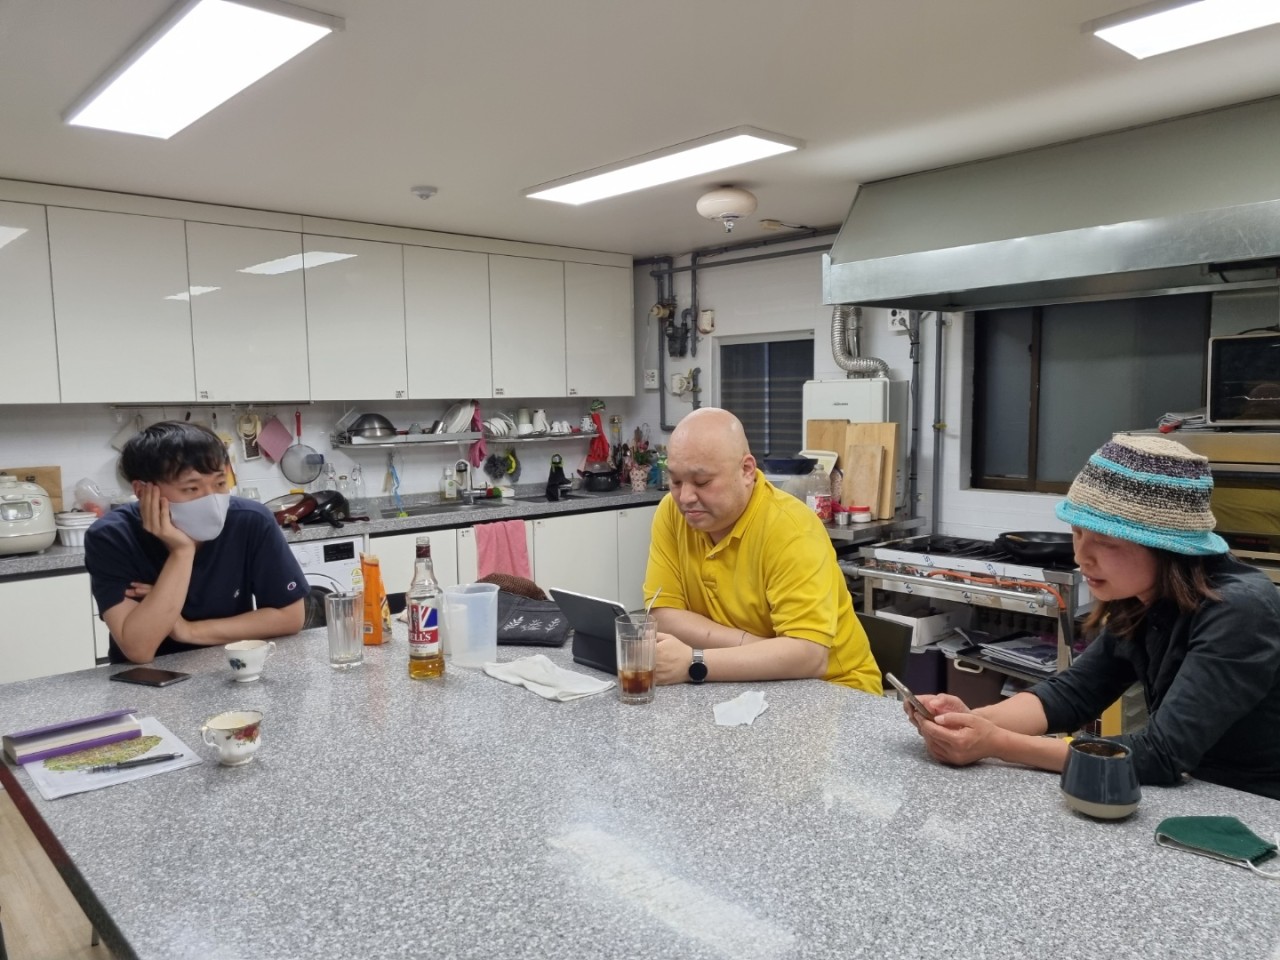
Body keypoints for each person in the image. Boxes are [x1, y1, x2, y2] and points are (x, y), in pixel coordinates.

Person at [909, 434, 1280, 800]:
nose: (1081, 557)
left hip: (1255, 804)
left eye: (1106, 542)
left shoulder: (1240, 611)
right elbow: (1074, 692)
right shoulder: (1141, 595)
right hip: (1196, 790)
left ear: (1167, 547)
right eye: (1077, 533)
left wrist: (997, 744)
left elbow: (1161, 754)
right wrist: (974, 721)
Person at [643, 407, 881, 693]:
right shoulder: (672, 513)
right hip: (742, 682)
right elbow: (663, 615)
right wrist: (760, 649)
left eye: (702, 482)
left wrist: (694, 661)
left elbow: (808, 656)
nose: (685, 497)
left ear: (746, 470)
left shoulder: (791, 529)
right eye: (676, 481)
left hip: (834, 690)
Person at [85, 421, 307, 664]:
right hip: (145, 679)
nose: (212, 500)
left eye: (220, 484)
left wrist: (188, 630)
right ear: (142, 491)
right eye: (191, 488)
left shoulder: (251, 520)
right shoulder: (112, 536)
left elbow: (290, 617)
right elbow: (139, 649)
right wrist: (182, 551)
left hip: (229, 667)